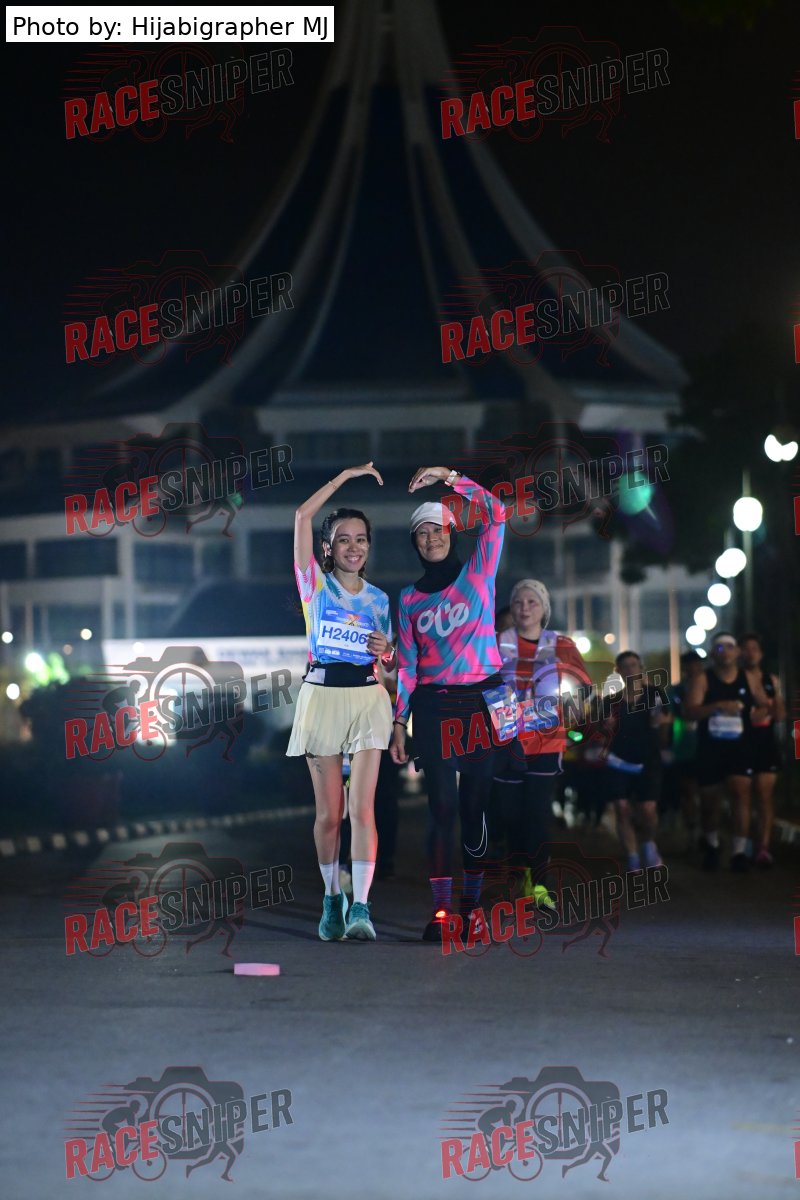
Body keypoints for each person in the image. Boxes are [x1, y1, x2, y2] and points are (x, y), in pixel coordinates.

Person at [389, 465, 506, 941]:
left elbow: (496, 513)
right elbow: (407, 666)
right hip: (434, 705)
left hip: (483, 700)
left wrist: (451, 478)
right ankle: (441, 913)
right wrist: (399, 721)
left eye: (437, 529)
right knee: (440, 807)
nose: (431, 538)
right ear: (414, 543)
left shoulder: (479, 570)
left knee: (475, 807)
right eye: (421, 533)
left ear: (452, 532)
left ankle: (472, 907)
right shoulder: (408, 599)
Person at [288, 463, 395, 940]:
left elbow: (388, 664)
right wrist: (345, 477)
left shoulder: (379, 600)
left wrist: (387, 652)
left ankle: (362, 909)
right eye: (344, 539)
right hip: (322, 697)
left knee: (363, 809)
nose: (354, 547)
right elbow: (301, 516)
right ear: (328, 547)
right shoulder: (313, 584)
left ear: (369, 547)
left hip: (368, 698)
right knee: (331, 815)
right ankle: (333, 898)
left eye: (361, 539)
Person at [495, 579, 591, 898]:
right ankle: (519, 872)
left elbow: (583, 686)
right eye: (518, 602)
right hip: (506, 742)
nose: (524, 608)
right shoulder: (496, 642)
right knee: (509, 814)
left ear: (544, 608)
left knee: (536, 813)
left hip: (546, 742)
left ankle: (539, 884)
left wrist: (573, 705)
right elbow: (478, 680)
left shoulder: (561, 644)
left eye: (532, 602)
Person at [685, 631, 754, 872]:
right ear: (713, 653)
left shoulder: (748, 678)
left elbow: (764, 703)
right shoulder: (703, 679)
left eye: (729, 647)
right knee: (709, 802)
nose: (725, 652)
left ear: (737, 652)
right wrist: (717, 706)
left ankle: (739, 852)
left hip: (740, 747)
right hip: (710, 748)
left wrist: (761, 711)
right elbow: (690, 711)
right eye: (720, 648)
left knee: (740, 794)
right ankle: (713, 846)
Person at [600, 650, 668, 871]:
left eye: (634, 665)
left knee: (647, 809)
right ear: (618, 671)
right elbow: (601, 729)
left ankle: (648, 843)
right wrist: (606, 726)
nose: (630, 670)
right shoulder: (611, 700)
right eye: (625, 666)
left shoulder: (655, 694)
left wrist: (661, 720)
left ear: (641, 668)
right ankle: (632, 856)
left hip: (648, 759)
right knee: (621, 808)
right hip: (619, 760)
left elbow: (668, 717)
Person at [739, 632, 785, 867]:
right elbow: (750, 716)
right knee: (742, 796)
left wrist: (766, 706)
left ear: (761, 653)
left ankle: (763, 847)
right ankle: (744, 843)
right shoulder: (736, 680)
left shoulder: (771, 680)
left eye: (754, 649)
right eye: (746, 649)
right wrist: (766, 707)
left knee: (765, 795)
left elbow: (780, 714)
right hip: (741, 743)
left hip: (766, 742)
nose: (750, 653)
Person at [669, 650, 706, 850]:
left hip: (708, 748)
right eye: (690, 665)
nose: (694, 669)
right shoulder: (675, 691)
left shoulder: (710, 687)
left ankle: (707, 830)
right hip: (684, 749)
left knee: (708, 792)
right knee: (688, 792)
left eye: (697, 664)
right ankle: (693, 830)